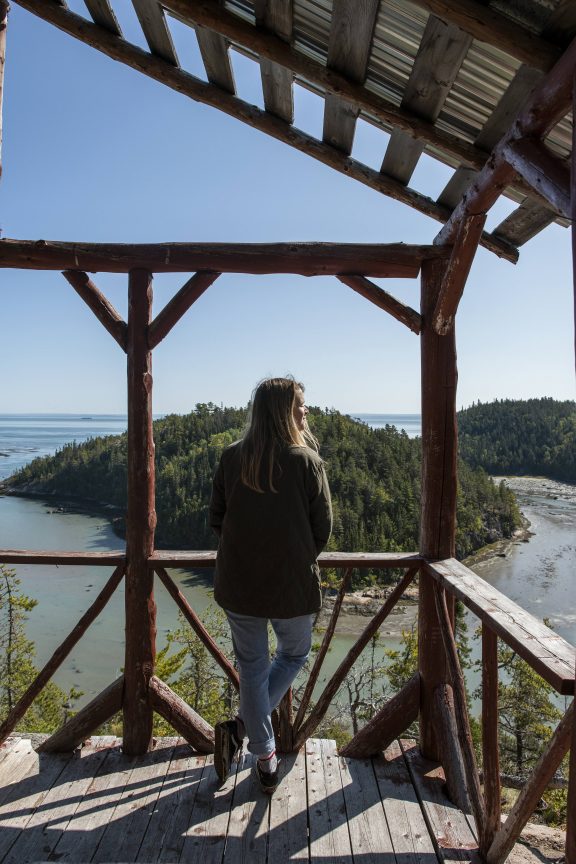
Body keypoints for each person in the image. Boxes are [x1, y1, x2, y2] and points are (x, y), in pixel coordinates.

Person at [209, 377, 332, 794]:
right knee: (294, 653)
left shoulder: (231, 458)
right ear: (283, 410)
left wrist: (247, 554)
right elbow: (323, 531)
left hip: (238, 585)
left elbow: (216, 520)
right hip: (292, 588)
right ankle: (262, 754)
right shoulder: (305, 461)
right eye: (301, 404)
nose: (306, 411)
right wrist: (292, 558)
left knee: (253, 671)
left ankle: (256, 745)